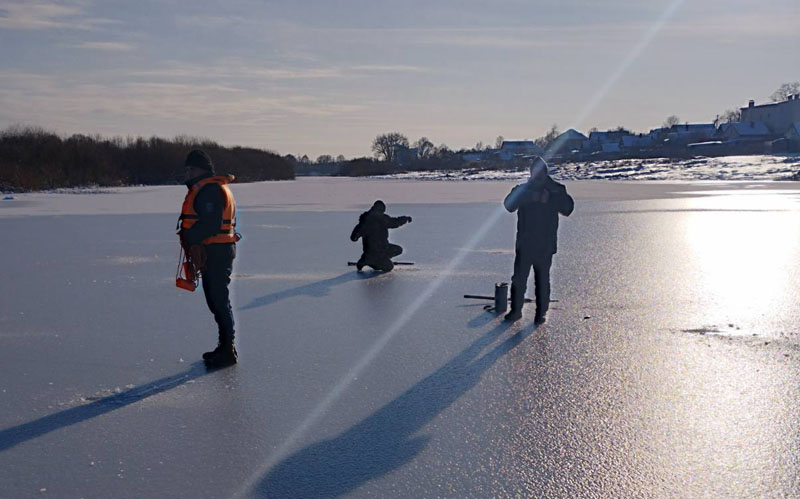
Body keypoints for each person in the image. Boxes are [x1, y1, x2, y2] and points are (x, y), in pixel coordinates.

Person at [178, 149, 241, 368]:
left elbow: (211, 224)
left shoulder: (210, 191)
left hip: (218, 253)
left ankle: (228, 350)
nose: (187, 173)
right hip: (215, 251)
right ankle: (224, 347)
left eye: (191, 168)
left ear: (203, 170)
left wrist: (189, 236)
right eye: (186, 169)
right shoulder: (207, 188)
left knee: (218, 301)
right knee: (215, 301)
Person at [503, 156, 574, 324]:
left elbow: (568, 208)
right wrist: (532, 197)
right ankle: (516, 311)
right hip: (525, 243)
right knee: (519, 279)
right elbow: (508, 205)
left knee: (542, 280)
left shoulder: (556, 189)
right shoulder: (523, 189)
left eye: (540, 173)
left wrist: (549, 199)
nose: (537, 176)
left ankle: (541, 313)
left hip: (545, 244)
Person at [350, 200, 412, 272]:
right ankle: (377, 261)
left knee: (398, 249)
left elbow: (353, 238)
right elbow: (394, 222)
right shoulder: (382, 219)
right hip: (380, 250)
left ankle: (368, 260)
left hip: (370, 252)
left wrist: (359, 230)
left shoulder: (365, 221)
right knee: (389, 267)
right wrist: (406, 219)